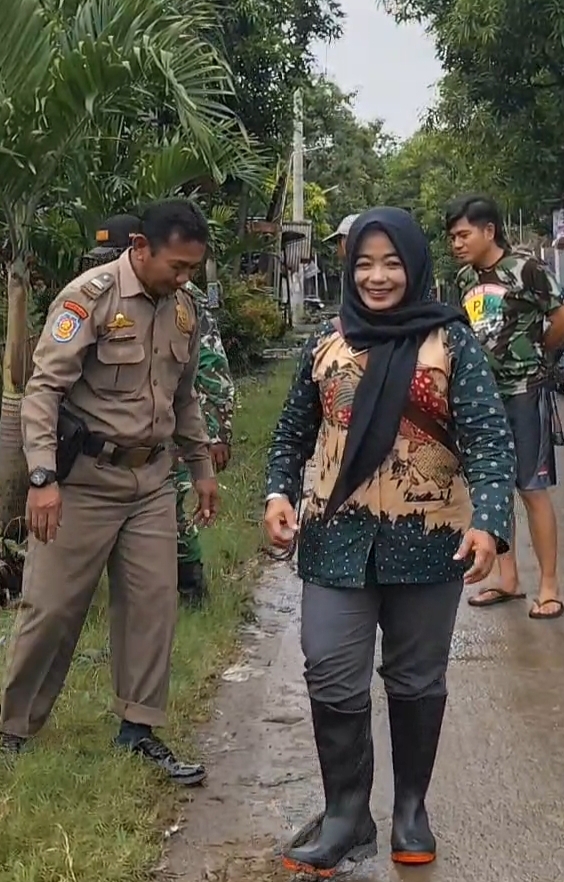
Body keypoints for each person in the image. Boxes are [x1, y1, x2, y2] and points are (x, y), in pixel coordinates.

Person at [264, 207, 515, 875]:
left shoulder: (451, 342)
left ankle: (410, 810)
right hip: (335, 538)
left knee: (416, 678)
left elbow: (490, 440)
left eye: (392, 263)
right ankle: (346, 815)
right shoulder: (327, 343)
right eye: (365, 264)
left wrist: (490, 523)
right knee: (329, 668)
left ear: (415, 266)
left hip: (430, 540)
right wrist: (277, 494)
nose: (377, 277)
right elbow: (290, 434)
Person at [0, 200, 219, 784]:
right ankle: (14, 727)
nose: (184, 278)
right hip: (83, 482)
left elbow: (185, 396)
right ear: (141, 248)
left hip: (150, 482)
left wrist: (201, 467)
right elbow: (44, 391)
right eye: (177, 266)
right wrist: (42, 477)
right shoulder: (89, 298)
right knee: (51, 607)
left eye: (192, 269)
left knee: (153, 604)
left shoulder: (183, 310)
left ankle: (138, 729)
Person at [81, 214, 235, 606]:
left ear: (139, 249)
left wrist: (215, 435)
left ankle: (191, 585)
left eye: (110, 255)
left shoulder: (181, 297)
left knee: (176, 509)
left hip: (170, 430)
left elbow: (207, 369)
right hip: (109, 450)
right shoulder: (97, 295)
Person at [447, 194, 564, 620]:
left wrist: (540, 355)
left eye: (463, 235)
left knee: (531, 489)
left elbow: (559, 315)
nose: (456, 244)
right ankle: (507, 578)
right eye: (452, 237)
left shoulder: (526, 269)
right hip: (483, 399)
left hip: (525, 392)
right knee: (493, 486)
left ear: (489, 230)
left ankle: (548, 587)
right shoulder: (464, 279)